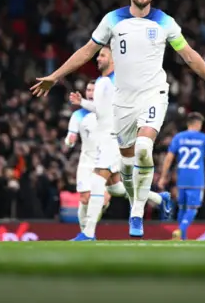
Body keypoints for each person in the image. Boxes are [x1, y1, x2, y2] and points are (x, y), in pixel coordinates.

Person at [31, 0, 205, 238]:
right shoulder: (112, 20)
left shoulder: (165, 22)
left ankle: (137, 213)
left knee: (144, 147)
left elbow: (189, 55)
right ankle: (151, 199)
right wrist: (55, 76)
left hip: (154, 93)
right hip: (123, 102)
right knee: (128, 169)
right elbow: (86, 51)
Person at [68, 46, 171, 241]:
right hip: (103, 140)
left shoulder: (120, 80)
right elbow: (100, 110)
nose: (98, 58)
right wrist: (82, 103)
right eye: (98, 55)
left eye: (103, 55)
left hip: (116, 138)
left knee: (98, 181)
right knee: (115, 188)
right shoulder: (100, 82)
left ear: (114, 59)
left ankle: (88, 233)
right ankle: (159, 198)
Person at [159, 112, 205, 240]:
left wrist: (163, 176)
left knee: (182, 208)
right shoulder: (204, 138)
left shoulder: (179, 137)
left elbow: (168, 158)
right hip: (196, 180)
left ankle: (181, 238)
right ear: (198, 124)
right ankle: (180, 230)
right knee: (193, 209)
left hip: (182, 179)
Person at [64, 80, 110, 232]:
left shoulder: (107, 112)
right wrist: (70, 141)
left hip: (104, 162)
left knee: (104, 200)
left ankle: (89, 229)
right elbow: (70, 136)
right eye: (88, 90)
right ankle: (85, 232)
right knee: (84, 199)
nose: (90, 93)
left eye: (93, 90)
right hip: (86, 162)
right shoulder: (78, 115)